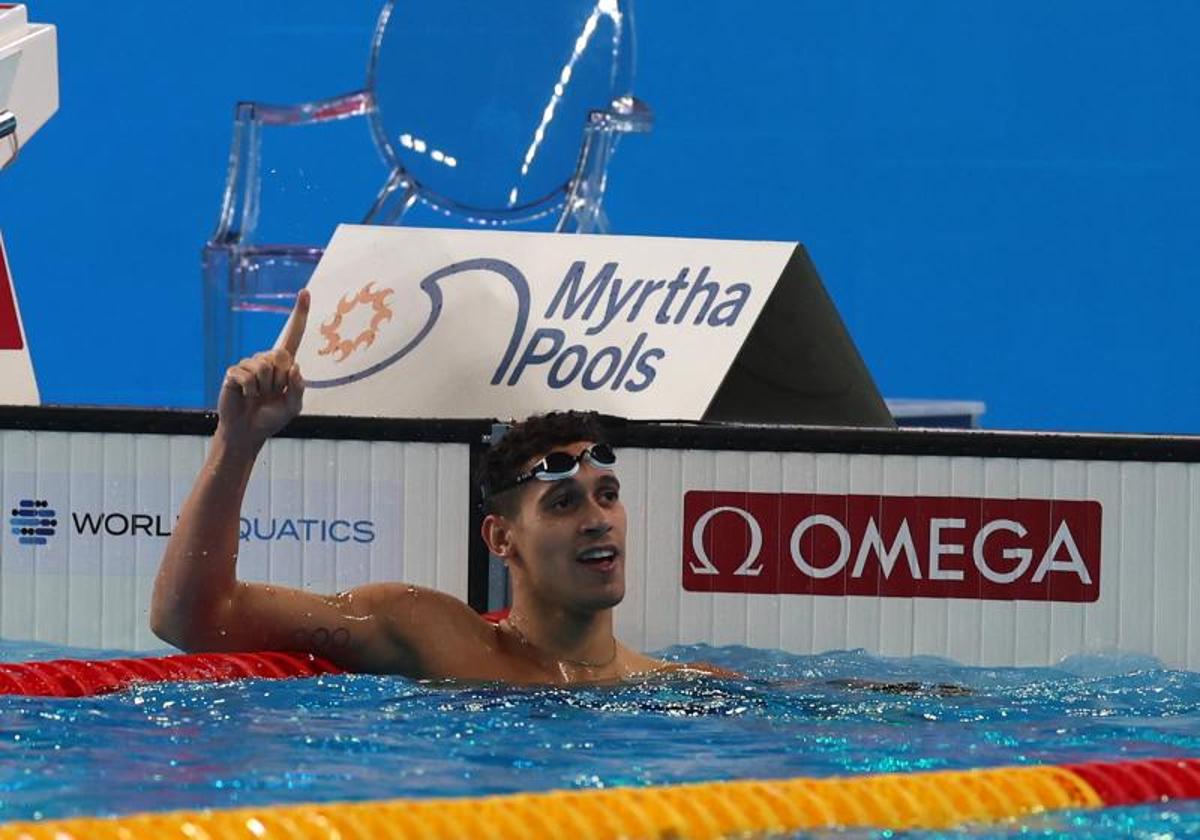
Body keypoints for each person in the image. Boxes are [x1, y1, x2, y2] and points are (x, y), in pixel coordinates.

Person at [151, 290, 726, 684]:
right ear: (501, 540)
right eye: (563, 502)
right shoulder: (432, 635)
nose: (599, 518)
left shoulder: (681, 688)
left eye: (607, 494)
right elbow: (193, 618)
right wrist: (237, 441)